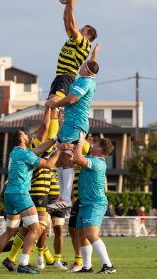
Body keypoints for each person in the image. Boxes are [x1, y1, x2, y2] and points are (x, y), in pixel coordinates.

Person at [0, 129, 66, 274]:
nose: (30, 136)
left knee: (10, 231)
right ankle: (24, 264)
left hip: (10, 194)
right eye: (26, 135)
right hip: (20, 194)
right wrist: (59, 150)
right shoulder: (25, 154)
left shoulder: (15, 152)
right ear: (22, 140)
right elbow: (48, 164)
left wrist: (55, 138)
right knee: (36, 229)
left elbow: (40, 148)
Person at [46, 46, 100, 209]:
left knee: (66, 158)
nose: (81, 65)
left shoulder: (84, 82)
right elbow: (93, 67)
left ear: (85, 69)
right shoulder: (90, 78)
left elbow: (71, 99)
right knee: (61, 158)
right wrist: (94, 54)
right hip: (71, 124)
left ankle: (65, 198)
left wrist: (54, 104)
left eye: (84, 64)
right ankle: (62, 196)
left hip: (76, 125)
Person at [73, 132, 116, 274]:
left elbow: (77, 158)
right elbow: (74, 157)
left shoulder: (98, 162)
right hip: (85, 203)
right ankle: (87, 266)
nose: (92, 145)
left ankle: (108, 266)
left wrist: (80, 141)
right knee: (82, 235)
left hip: (95, 204)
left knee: (91, 234)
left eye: (95, 144)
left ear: (99, 149)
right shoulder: (92, 158)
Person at [67, 136, 99, 273]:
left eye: (89, 139)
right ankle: (81, 262)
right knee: (72, 230)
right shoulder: (79, 153)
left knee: (84, 233)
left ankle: (81, 261)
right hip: (78, 199)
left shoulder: (88, 155)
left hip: (87, 200)